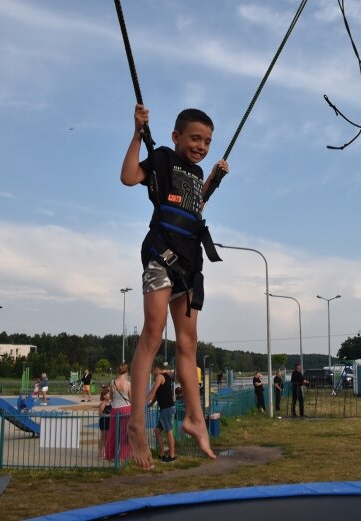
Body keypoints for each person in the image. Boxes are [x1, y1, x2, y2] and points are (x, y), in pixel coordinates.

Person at [120, 104, 227, 470]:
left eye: (208, 141)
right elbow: (130, 176)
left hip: (189, 264)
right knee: (153, 333)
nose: (201, 145)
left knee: (188, 343)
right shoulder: (163, 158)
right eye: (195, 138)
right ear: (176, 136)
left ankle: (195, 419)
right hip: (161, 253)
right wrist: (137, 133)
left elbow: (195, 203)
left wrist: (211, 177)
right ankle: (136, 423)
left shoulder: (197, 171)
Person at [147, 361, 177, 462]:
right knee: (157, 431)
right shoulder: (166, 376)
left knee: (168, 431)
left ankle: (172, 456)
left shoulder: (159, 377)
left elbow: (152, 392)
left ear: (156, 369)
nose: (151, 373)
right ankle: (162, 453)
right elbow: (157, 394)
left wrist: (140, 400)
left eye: (152, 370)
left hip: (167, 408)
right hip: (166, 408)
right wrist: (150, 404)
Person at [105, 364, 132, 461]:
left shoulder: (112, 382)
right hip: (126, 408)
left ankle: (110, 455)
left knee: (112, 433)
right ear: (126, 372)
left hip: (115, 408)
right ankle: (122, 456)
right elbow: (130, 397)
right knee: (124, 434)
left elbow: (111, 397)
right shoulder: (128, 384)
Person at [98, 387, 112, 458]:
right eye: (108, 394)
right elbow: (100, 414)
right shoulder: (103, 403)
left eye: (110, 394)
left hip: (109, 421)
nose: (109, 395)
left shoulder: (110, 403)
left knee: (107, 437)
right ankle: (101, 452)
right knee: (103, 437)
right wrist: (108, 415)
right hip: (104, 421)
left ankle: (106, 452)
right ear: (104, 396)